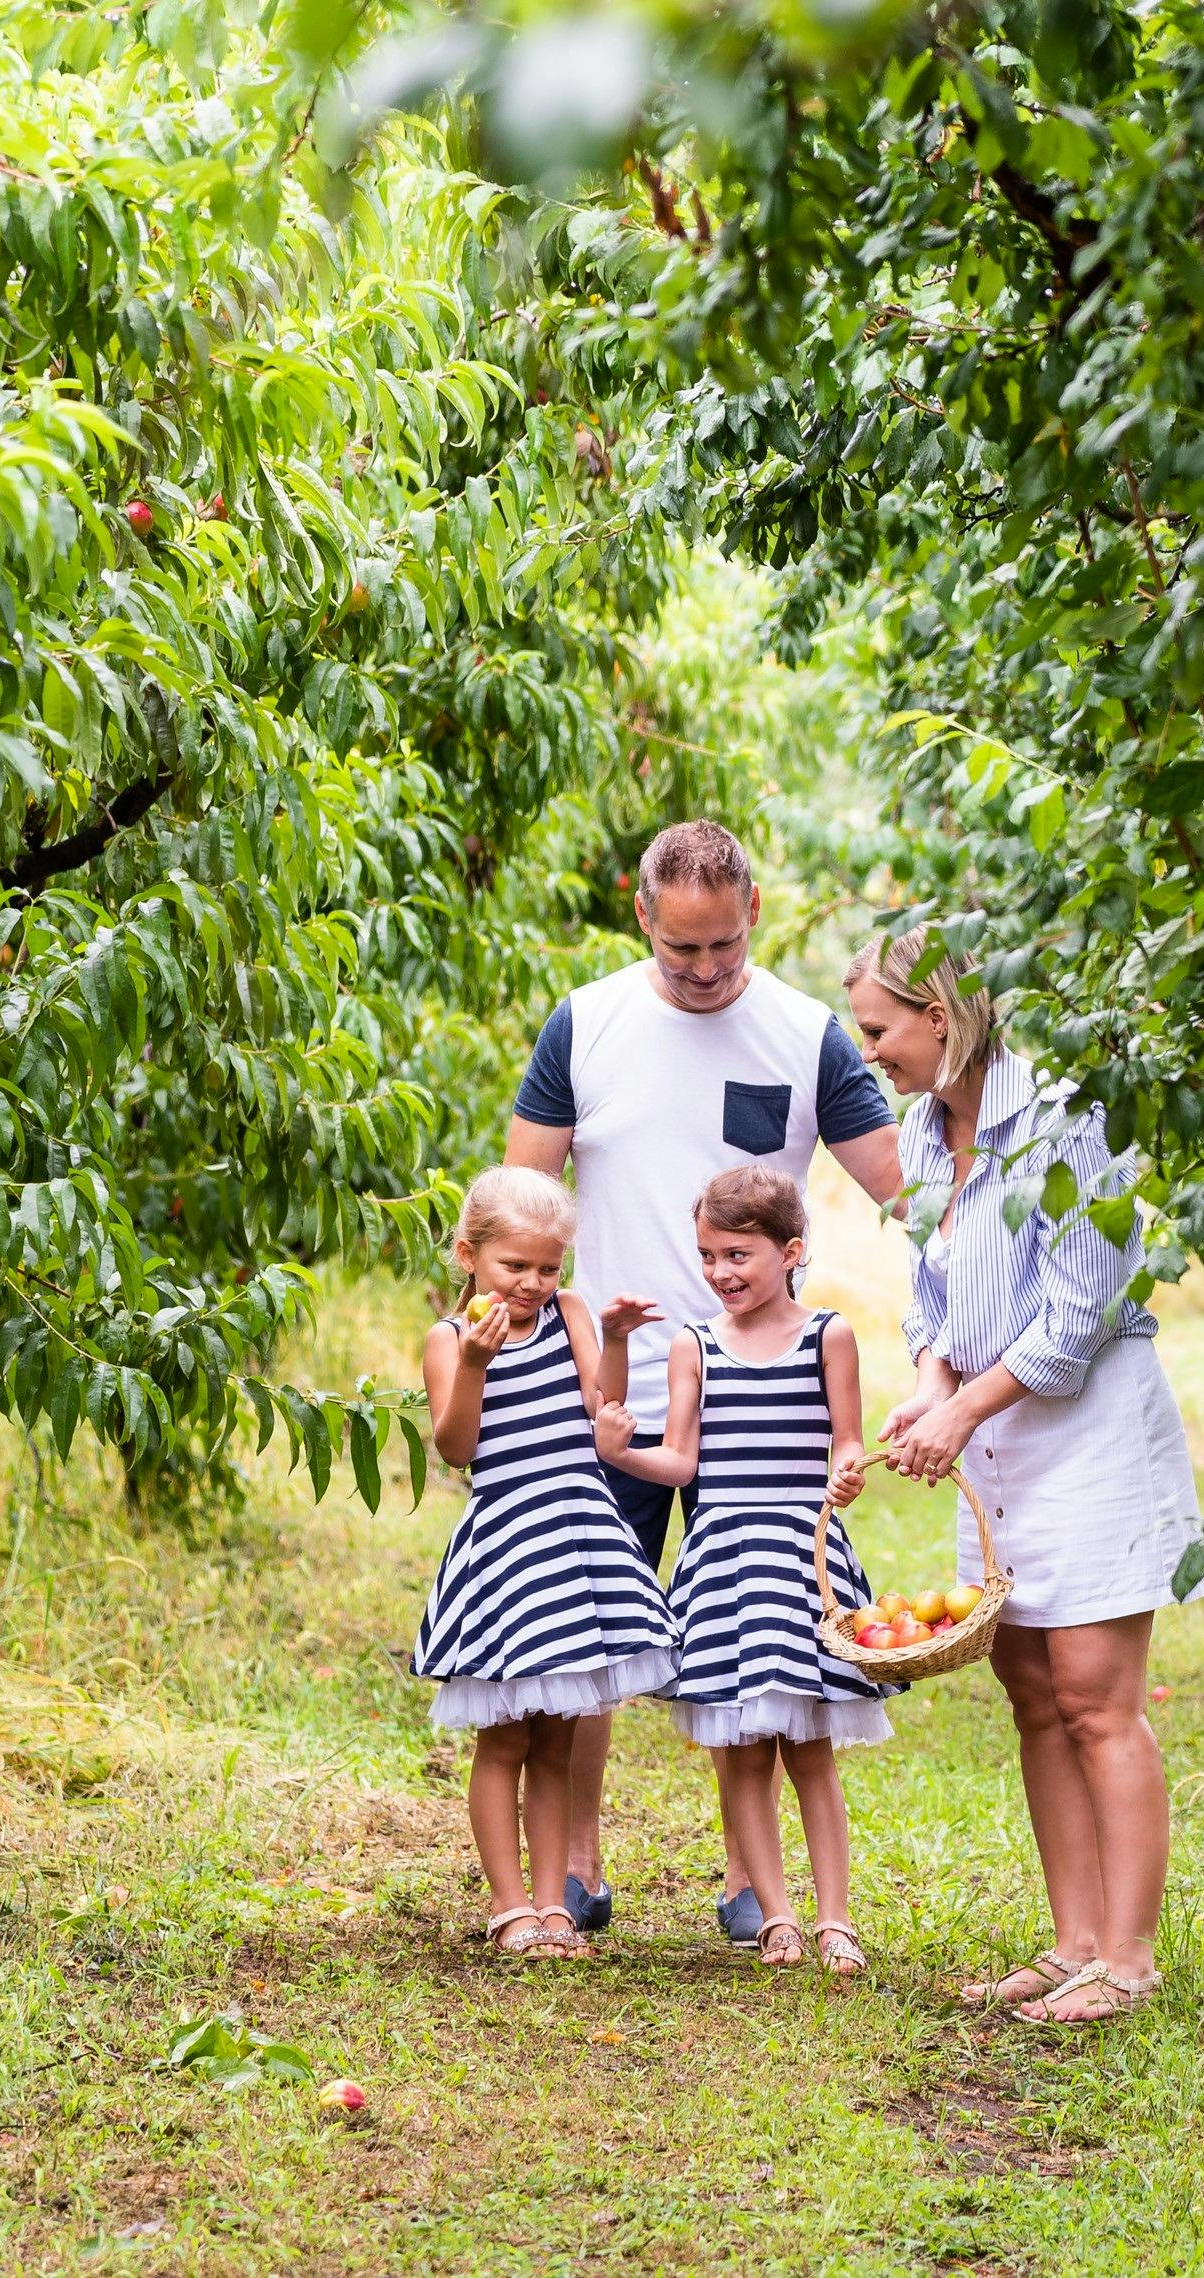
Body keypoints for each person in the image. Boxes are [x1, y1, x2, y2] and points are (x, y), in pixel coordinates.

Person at [507, 819, 902, 1942]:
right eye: (682, 950)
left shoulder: (806, 1033)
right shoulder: (585, 1023)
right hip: (616, 1372)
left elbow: (904, 1186)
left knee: (758, 1626)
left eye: (722, 946)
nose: (703, 969)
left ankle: (752, 1883)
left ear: (754, 914)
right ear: (642, 918)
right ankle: (576, 1868)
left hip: (754, 1381)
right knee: (588, 1627)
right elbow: (518, 1202)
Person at [843, 930, 1204, 2024]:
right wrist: (928, 1380)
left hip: (1084, 1427)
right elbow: (933, 1295)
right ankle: (1072, 1942)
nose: (869, 1054)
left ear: (940, 1019)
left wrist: (958, 1409)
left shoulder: (1064, 1120)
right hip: (995, 1427)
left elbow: (1077, 1315)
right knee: (1033, 1693)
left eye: (878, 1029)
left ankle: (1129, 1958)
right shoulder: (918, 1129)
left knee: (1097, 1696)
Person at [598, 1166, 888, 1974]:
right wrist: (626, 1453)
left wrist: (851, 1469)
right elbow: (683, 1461)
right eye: (707, 1256)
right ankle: (776, 1916)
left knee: (812, 1751)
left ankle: (837, 1919)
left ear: (791, 1251)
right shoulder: (693, 1345)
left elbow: (848, 1439)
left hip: (804, 1561)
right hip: (725, 1563)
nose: (721, 1272)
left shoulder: (828, 1334)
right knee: (744, 1754)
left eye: (739, 1255)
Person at [411, 1166, 676, 1958]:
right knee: (506, 1736)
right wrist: (477, 1367)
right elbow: (458, 1449)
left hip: (578, 1533)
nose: (532, 1283)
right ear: (468, 1255)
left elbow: (604, 1412)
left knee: (560, 1735)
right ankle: (509, 1905)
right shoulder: (451, 1340)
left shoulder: (568, 1314)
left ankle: (557, 1905)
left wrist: (619, 1341)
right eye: (513, 1267)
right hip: (511, 1547)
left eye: (547, 1267)